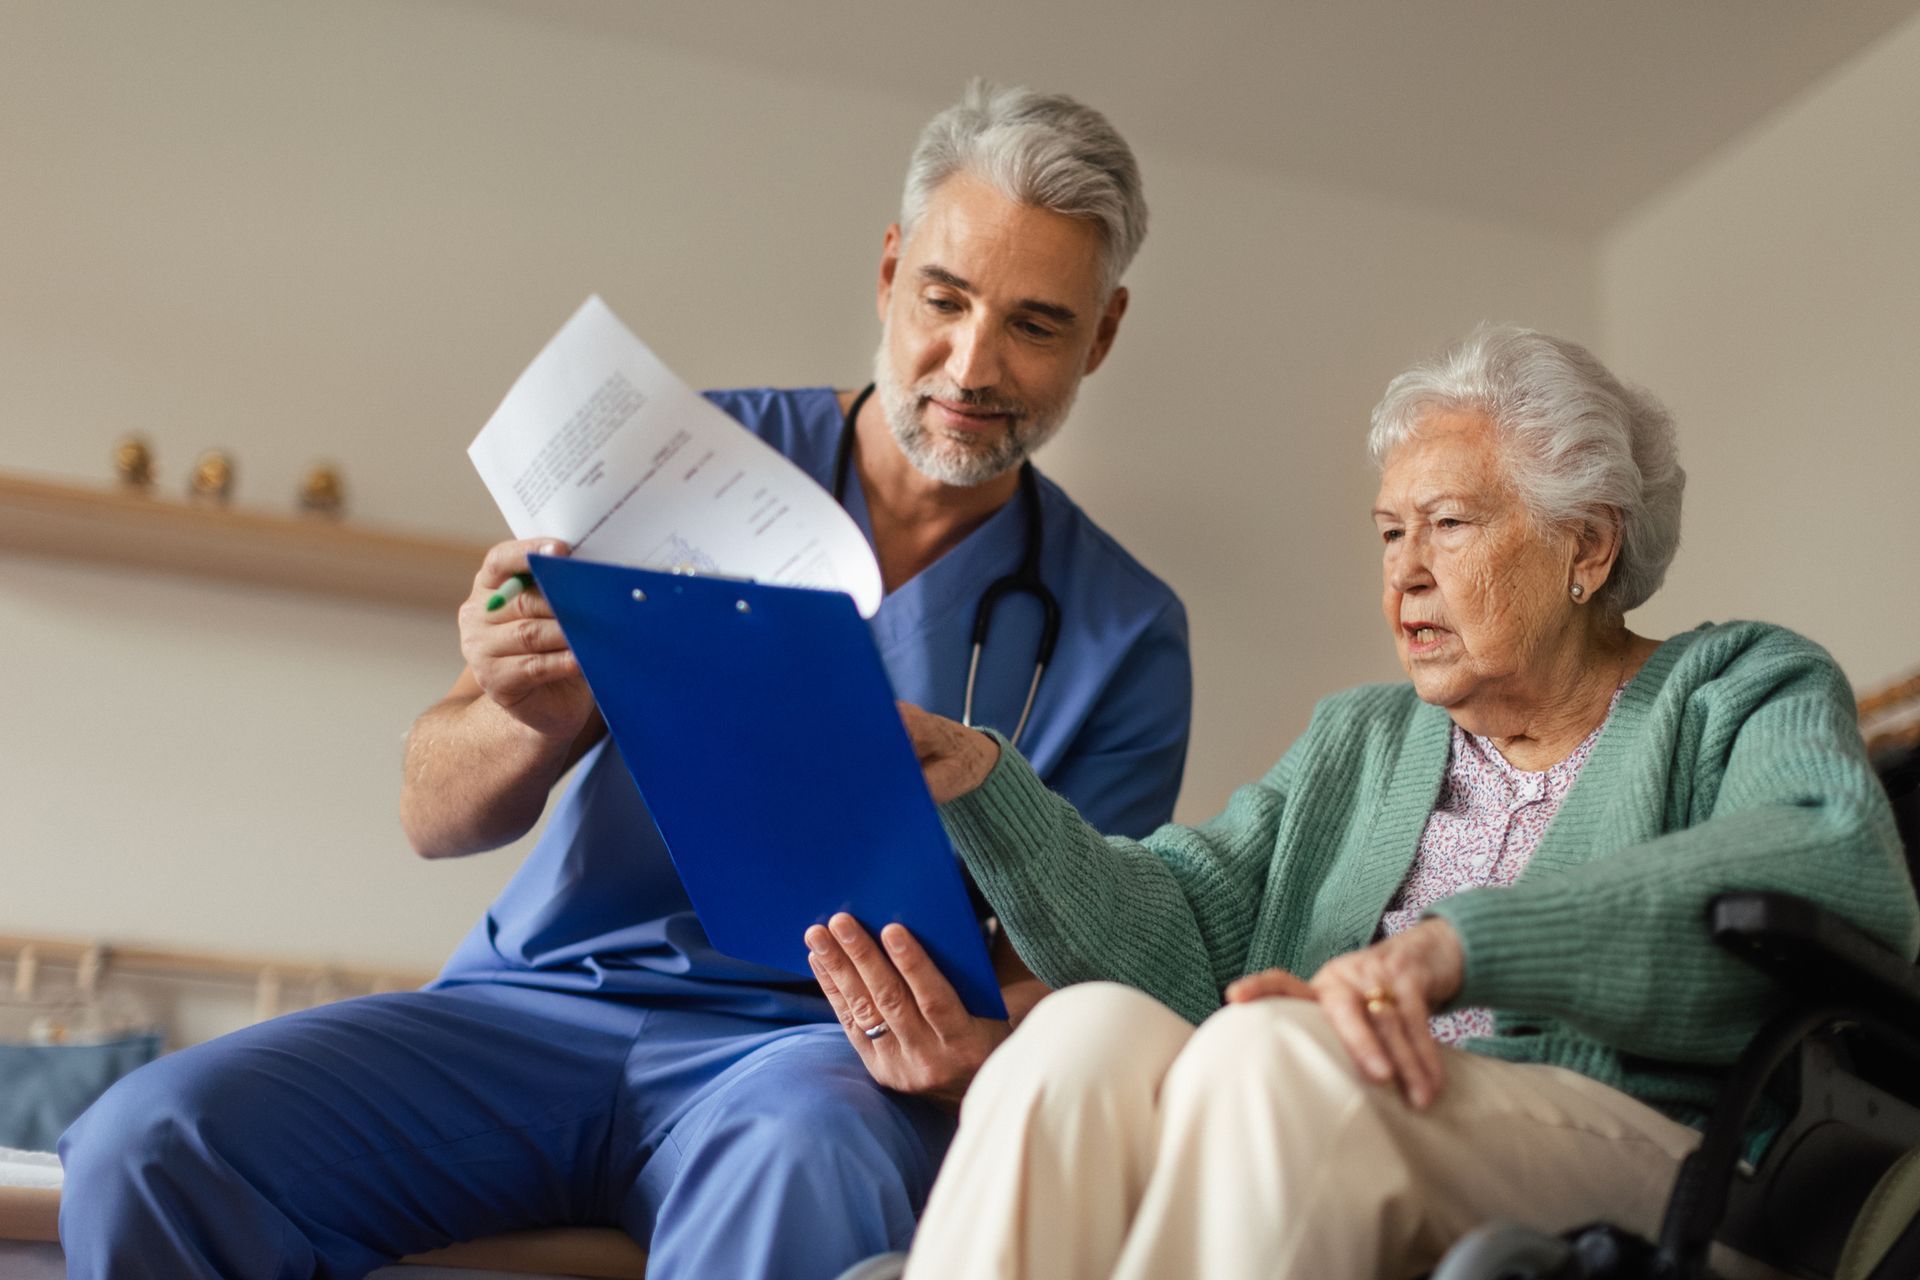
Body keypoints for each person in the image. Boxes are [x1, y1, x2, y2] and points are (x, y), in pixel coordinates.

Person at [57, 82, 1192, 1280]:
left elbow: (1077, 969)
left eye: (1034, 324)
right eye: (945, 299)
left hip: (812, 1058)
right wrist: (520, 714)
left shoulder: (1124, 633)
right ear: (890, 269)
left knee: (806, 1161)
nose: (971, 363)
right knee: (152, 1138)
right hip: (539, 1006)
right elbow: (431, 812)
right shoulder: (677, 462)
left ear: (1103, 335)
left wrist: (968, 1046)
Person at [804, 324, 1920, 1279]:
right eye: (1390, 533)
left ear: (1585, 543)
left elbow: (1822, 860)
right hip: (1330, 1093)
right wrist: (983, 782)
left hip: (1649, 1143)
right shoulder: (1365, 737)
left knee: (1273, 1054)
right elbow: (1182, 934)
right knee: (1080, 1033)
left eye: (1448, 524)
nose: (1404, 574)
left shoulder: (1738, 686)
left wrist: (1457, 949)